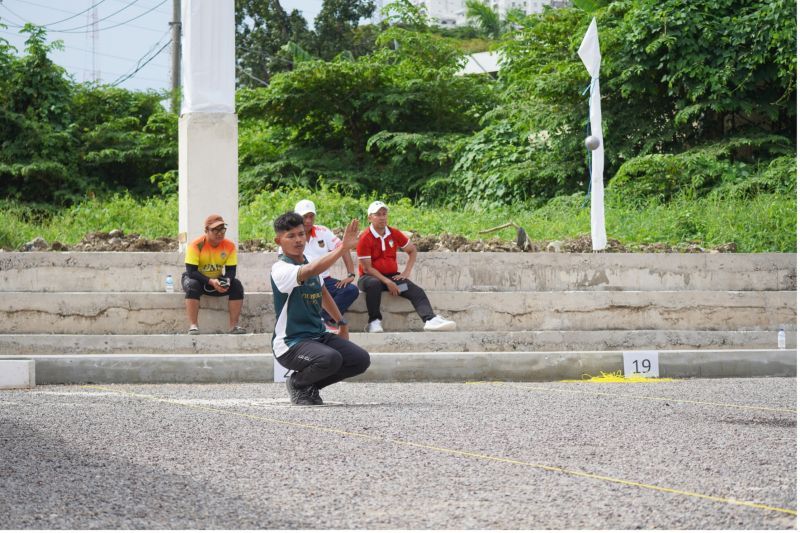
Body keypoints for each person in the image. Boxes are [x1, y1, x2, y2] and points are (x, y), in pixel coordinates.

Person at [271, 212, 370, 406]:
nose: (298, 240)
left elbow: (324, 293)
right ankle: (297, 383)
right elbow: (309, 272)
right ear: (278, 241)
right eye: (291, 236)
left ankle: (310, 386)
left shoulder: (308, 260)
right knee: (330, 358)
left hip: (317, 336)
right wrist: (343, 249)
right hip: (290, 343)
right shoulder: (281, 269)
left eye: (301, 234)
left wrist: (341, 323)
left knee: (360, 359)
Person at [356, 201, 456, 333]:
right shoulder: (364, 238)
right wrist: (388, 282)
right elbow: (368, 268)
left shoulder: (393, 233)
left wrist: (406, 272)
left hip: (391, 280)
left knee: (415, 290)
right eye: (378, 214)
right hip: (369, 278)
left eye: (384, 214)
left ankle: (430, 320)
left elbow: (412, 250)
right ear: (370, 218)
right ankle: (374, 322)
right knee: (374, 284)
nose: (382, 217)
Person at [293, 199, 359, 332]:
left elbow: (343, 248)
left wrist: (351, 274)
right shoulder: (290, 235)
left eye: (311, 216)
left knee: (351, 290)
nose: (308, 220)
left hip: (325, 280)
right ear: (296, 217)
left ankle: (323, 318)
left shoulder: (322, 231)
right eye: (304, 217)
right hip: (303, 281)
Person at [182, 214, 246, 335]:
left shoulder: (229, 246)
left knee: (236, 285)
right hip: (196, 278)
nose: (220, 233)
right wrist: (211, 281)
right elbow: (191, 272)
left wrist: (226, 281)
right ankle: (193, 325)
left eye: (222, 229)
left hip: (216, 278)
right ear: (206, 230)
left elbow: (231, 271)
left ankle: (234, 326)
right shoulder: (196, 245)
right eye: (215, 230)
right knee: (192, 285)